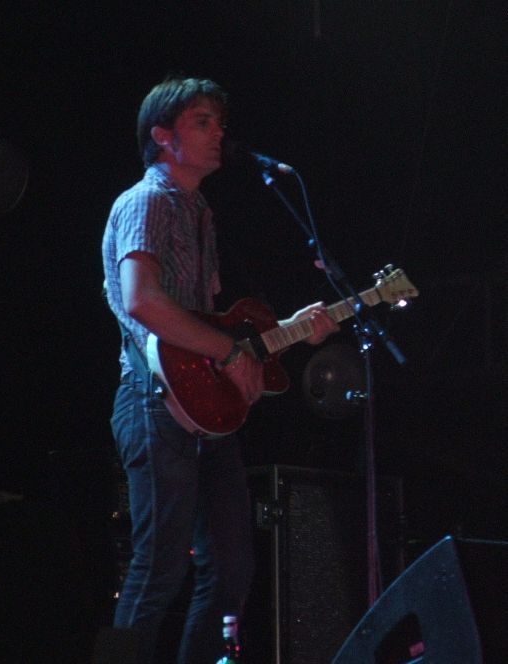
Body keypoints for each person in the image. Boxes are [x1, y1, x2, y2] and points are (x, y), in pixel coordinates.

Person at [102, 75, 339, 663]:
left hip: (200, 407)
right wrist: (232, 354)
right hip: (153, 401)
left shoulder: (200, 211)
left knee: (232, 569)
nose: (219, 134)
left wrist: (287, 330)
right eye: (203, 122)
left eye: (220, 123)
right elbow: (142, 301)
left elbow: (208, 327)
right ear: (163, 136)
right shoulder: (148, 200)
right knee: (158, 568)